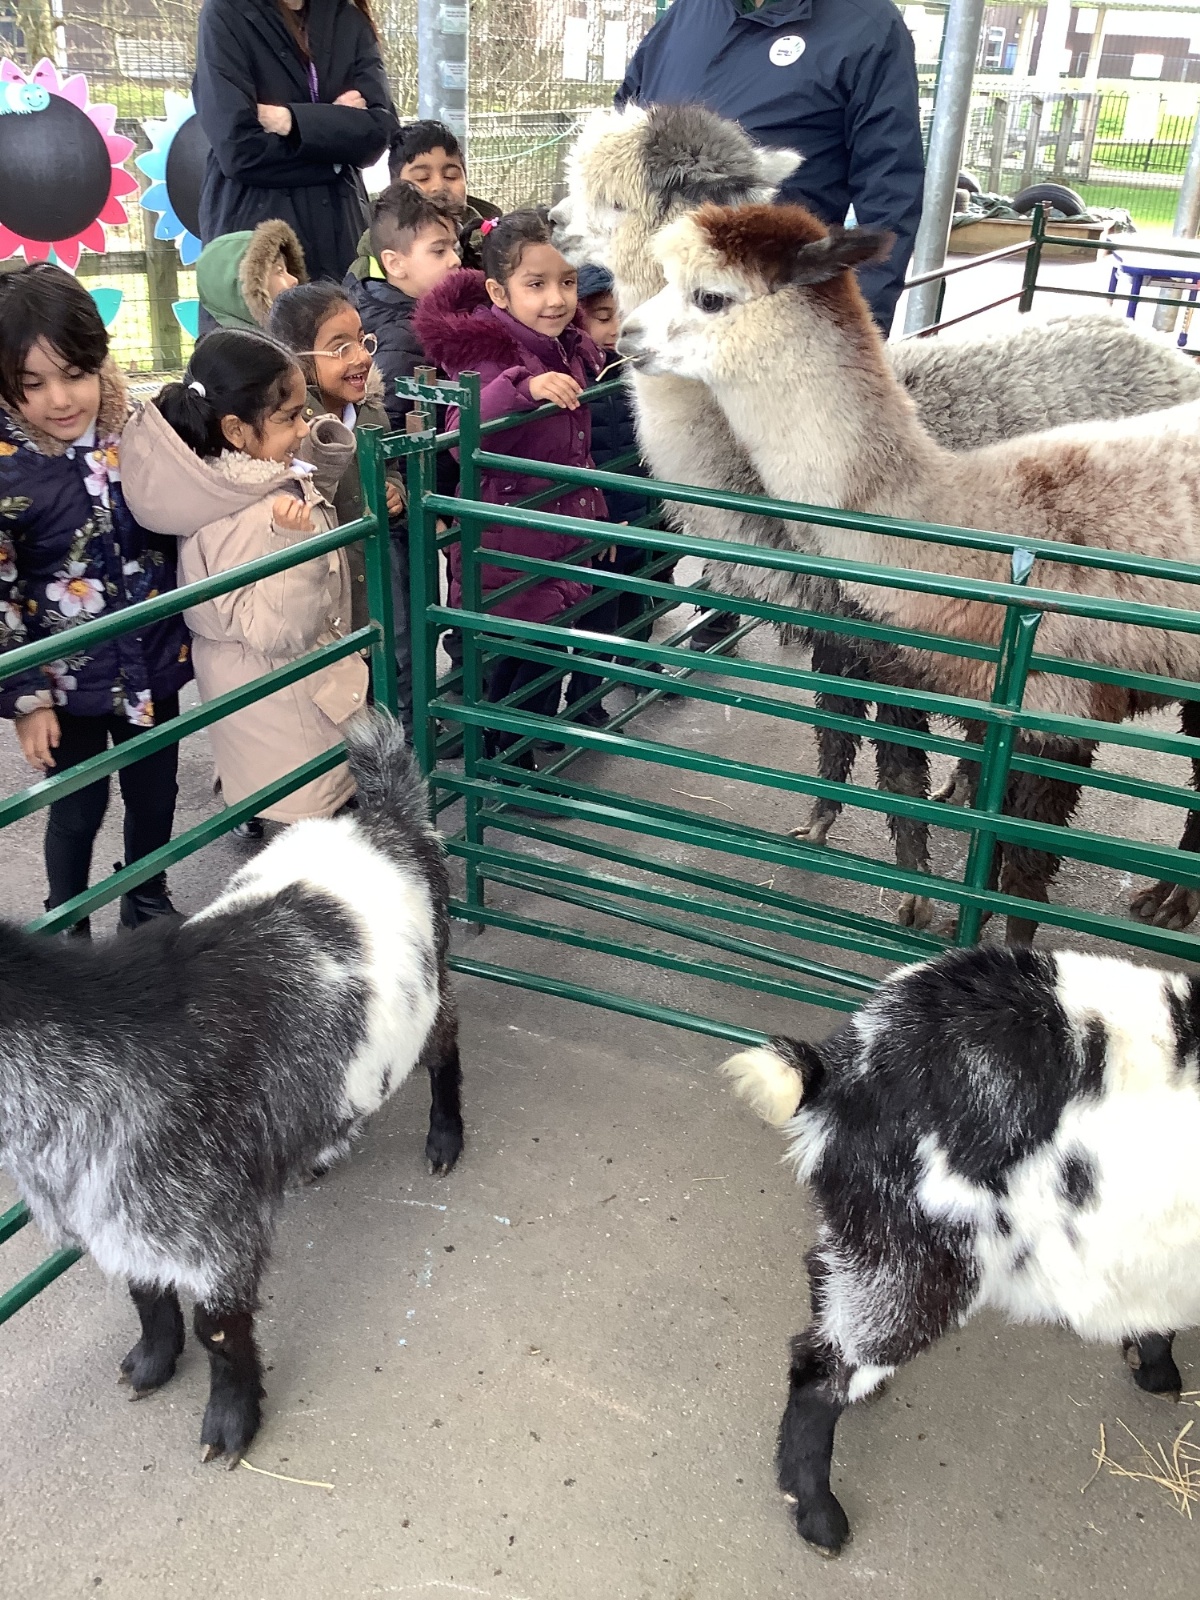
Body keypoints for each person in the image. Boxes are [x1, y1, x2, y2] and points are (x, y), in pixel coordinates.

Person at [0, 263, 193, 934]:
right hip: (64, 679)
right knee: (77, 807)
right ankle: (68, 919)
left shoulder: (138, 429)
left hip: (152, 658)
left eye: (75, 373)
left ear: (100, 359)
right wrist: (26, 699)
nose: (59, 399)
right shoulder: (7, 469)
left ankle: (145, 898)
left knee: (154, 792)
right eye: (32, 384)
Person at [120, 330, 368, 824]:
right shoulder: (249, 517)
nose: (303, 427)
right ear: (235, 430)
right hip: (287, 704)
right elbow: (277, 631)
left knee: (284, 804)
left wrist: (318, 462)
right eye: (289, 417)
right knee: (304, 826)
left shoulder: (228, 488)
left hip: (270, 695)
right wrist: (296, 548)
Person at [414, 209, 608, 762]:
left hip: (558, 529)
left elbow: (576, 447)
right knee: (515, 660)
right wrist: (524, 388)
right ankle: (508, 765)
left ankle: (521, 747)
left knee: (548, 649)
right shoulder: (487, 352)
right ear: (499, 293)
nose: (556, 299)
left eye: (567, 282)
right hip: (508, 542)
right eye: (536, 285)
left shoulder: (569, 345)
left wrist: (595, 513)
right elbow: (460, 434)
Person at [616, 0, 924, 337]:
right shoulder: (687, 13)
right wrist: (595, 292)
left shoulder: (867, 25)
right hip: (652, 308)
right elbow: (617, 153)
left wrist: (854, 337)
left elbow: (890, 192)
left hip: (768, 316)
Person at [268, 282, 410, 721]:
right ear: (297, 361)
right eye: (340, 348)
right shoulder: (292, 427)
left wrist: (396, 491)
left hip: (372, 577)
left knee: (379, 671)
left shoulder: (371, 413)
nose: (361, 356)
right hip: (325, 585)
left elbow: (390, 468)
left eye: (362, 340)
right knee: (333, 687)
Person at [193, 0, 398, 284]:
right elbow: (239, 150)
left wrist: (290, 120)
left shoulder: (347, 19)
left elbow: (379, 132)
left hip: (339, 232)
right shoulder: (226, 13)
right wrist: (335, 150)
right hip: (257, 235)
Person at [563, 262, 660, 725]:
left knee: (638, 593)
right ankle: (584, 700)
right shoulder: (576, 378)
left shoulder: (637, 368)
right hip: (601, 516)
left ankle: (634, 662)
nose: (616, 327)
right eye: (603, 317)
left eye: (623, 314)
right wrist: (597, 516)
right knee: (596, 611)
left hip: (638, 504)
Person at [343, 182, 462, 432]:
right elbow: (388, 431)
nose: (455, 260)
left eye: (455, 247)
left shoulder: (382, 309)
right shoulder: (404, 338)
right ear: (395, 264)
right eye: (439, 251)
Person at [387, 119, 501, 271]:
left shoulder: (497, 243)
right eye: (422, 178)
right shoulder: (377, 248)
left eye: (451, 176)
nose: (439, 187)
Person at [195, 219, 307, 335]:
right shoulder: (232, 347)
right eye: (279, 271)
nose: (295, 280)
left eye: (287, 270)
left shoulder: (287, 336)